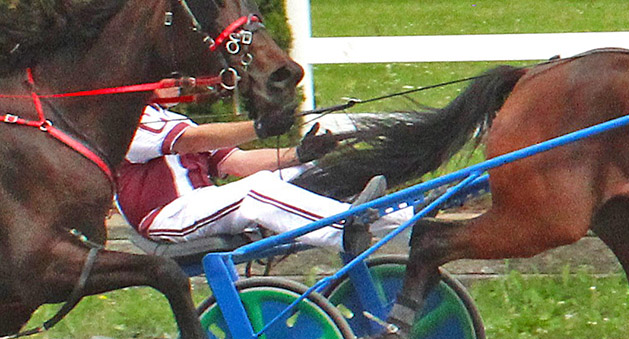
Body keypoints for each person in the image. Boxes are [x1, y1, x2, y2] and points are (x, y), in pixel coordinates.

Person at [116, 98, 410, 254]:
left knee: (308, 173)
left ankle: (409, 221)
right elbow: (188, 141)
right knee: (257, 192)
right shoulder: (131, 120)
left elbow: (239, 162)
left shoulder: (173, 118)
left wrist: (300, 155)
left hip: (201, 206)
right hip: (167, 218)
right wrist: (258, 127)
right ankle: (342, 228)